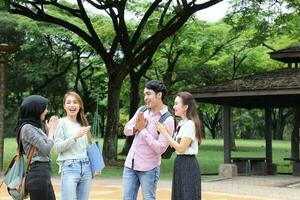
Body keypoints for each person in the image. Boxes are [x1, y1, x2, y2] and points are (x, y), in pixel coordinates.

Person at [122, 80, 175, 200]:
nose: (145, 98)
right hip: (131, 164)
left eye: (148, 94)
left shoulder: (167, 119)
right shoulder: (142, 110)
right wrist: (136, 128)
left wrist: (143, 130)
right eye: (144, 94)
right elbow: (126, 129)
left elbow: (160, 149)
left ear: (159, 95)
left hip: (149, 168)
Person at [155, 91, 202, 200]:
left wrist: (164, 133)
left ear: (185, 107)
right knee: (179, 195)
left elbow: (181, 148)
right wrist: (166, 132)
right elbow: (173, 146)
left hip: (188, 164)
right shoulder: (181, 123)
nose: (174, 106)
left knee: (188, 195)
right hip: (180, 162)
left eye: (177, 103)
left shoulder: (190, 124)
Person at [16, 95, 59, 200]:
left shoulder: (34, 127)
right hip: (38, 172)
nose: (46, 111)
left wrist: (49, 131)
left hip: (43, 171)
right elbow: (46, 149)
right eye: (44, 108)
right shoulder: (27, 128)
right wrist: (52, 131)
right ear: (36, 110)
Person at [53, 91, 92, 200]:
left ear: (80, 105)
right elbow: (57, 147)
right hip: (70, 167)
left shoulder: (83, 123)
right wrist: (74, 137)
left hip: (86, 167)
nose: (72, 105)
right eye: (68, 102)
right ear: (64, 106)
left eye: (75, 102)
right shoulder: (61, 123)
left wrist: (96, 166)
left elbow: (88, 147)